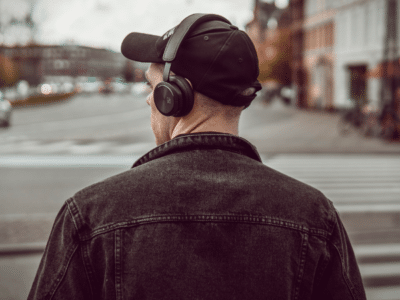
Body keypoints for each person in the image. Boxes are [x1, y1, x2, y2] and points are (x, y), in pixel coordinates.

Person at [28, 14, 366, 299]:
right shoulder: (314, 216)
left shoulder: (90, 215)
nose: (149, 100)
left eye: (152, 87)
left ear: (172, 95)